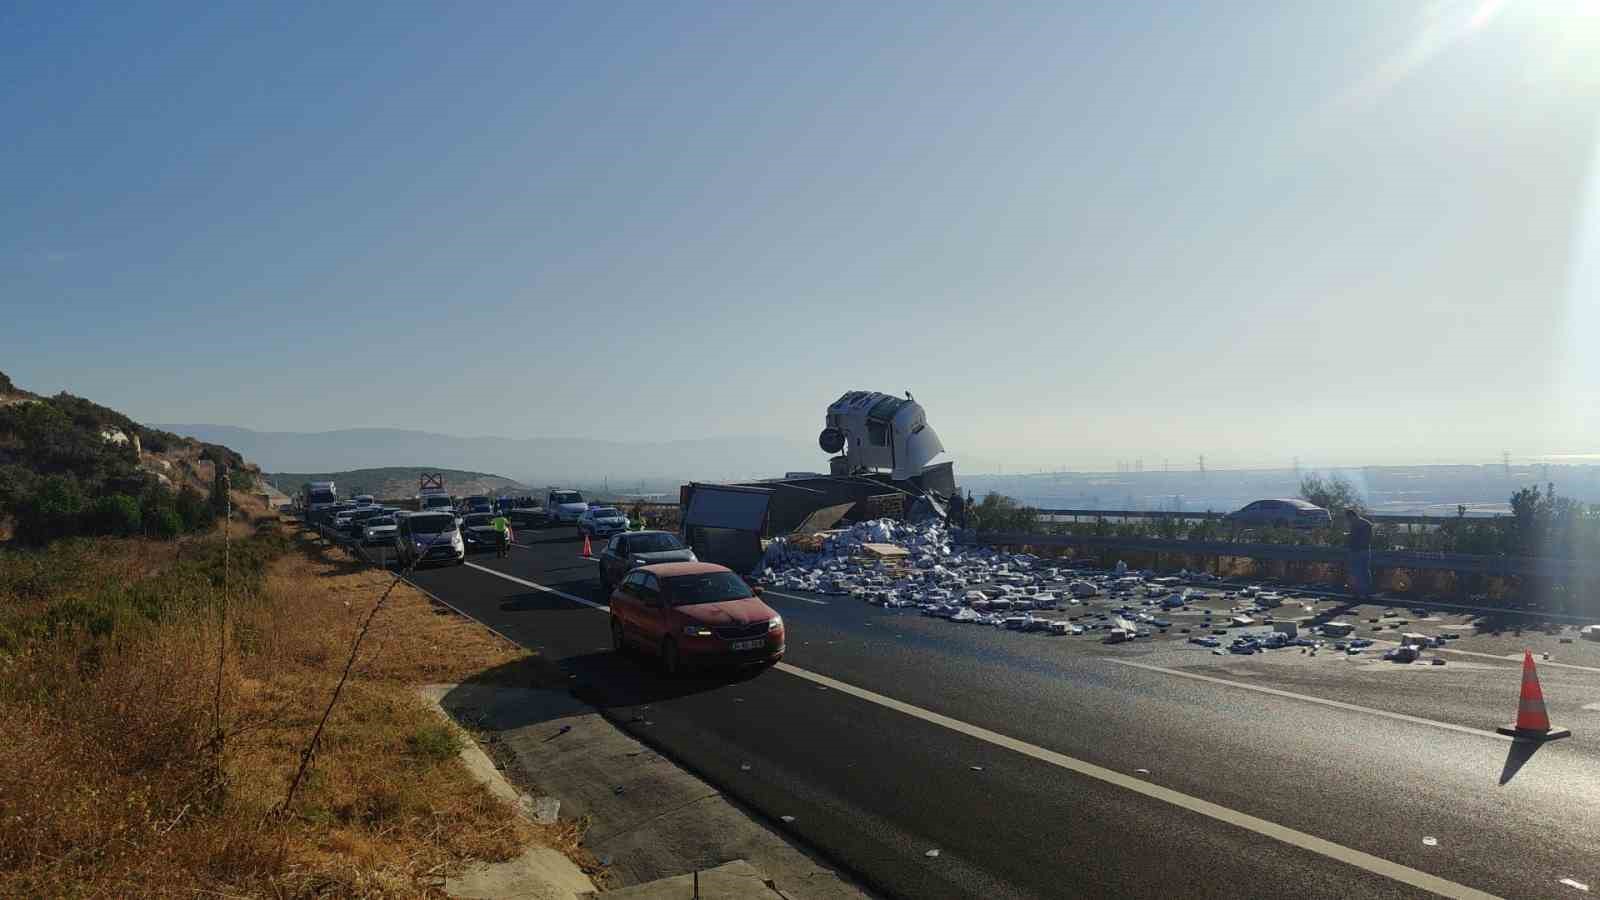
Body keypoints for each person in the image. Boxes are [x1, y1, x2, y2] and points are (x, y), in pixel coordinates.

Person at [1345, 508, 1374, 599]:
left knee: (1357, 571)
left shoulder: (1355, 524)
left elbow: (1354, 538)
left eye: (1348, 518)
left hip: (1356, 550)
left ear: (1351, 516)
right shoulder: (1367, 523)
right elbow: (1368, 538)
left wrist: (1348, 537)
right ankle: (1366, 591)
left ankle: (1359, 592)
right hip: (1365, 550)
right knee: (1365, 571)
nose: (1348, 520)